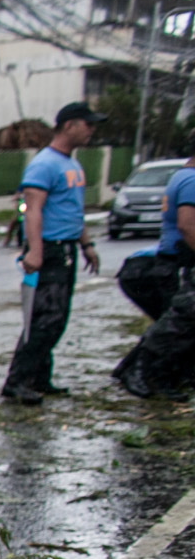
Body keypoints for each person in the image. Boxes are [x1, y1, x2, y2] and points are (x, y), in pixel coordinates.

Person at [1, 102, 105, 404]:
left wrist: (86, 244)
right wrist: (35, 250)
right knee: (46, 318)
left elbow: (73, 211)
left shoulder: (72, 165)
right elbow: (33, 210)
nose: (92, 131)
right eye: (88, 124)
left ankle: (39, 376)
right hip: (50, 249)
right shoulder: (44, 164)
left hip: (68, 246)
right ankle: (17, 380)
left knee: (56, 317)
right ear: (69, 125)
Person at [114, 142, 195, 397]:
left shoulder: (183, 176)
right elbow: (187, 226)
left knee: (176, 324)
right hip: (175, 263)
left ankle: (137, 371)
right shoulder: (192, 180)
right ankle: (141, 374)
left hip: (171, 262)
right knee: (176, 325)